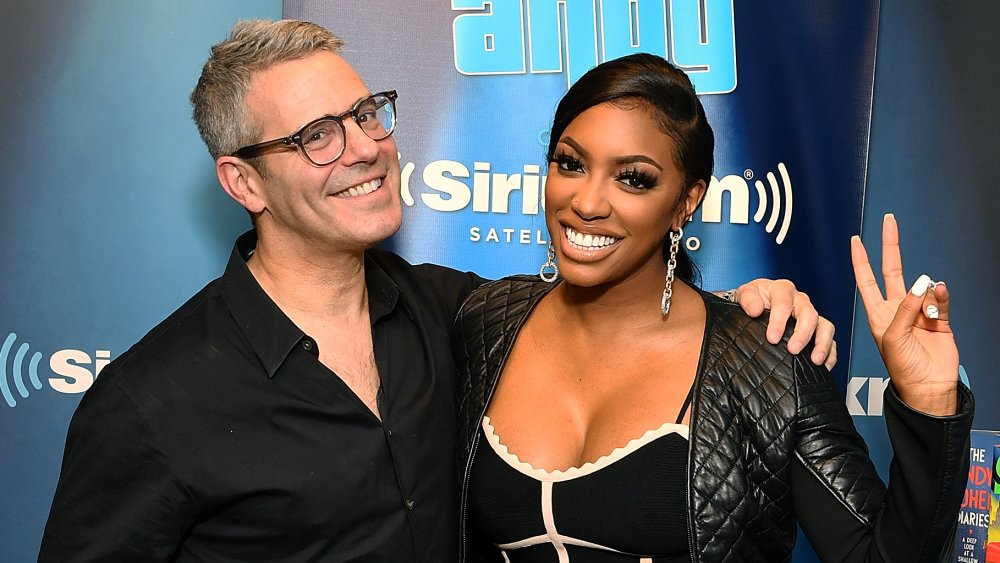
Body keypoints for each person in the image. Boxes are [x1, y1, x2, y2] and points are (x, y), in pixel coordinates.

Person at [39, 21, 834, 562]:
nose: (364, 148)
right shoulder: (149, 403)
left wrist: (742, 313)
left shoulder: (453, 313)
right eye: (316, 135)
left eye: (365, 113)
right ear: (243, 179)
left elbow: (612, 305)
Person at [454, 54, 974, 562]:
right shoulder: (483, 322)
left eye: (633, 178)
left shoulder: (767, 361)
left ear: (687, 200)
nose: (587, 203)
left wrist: (930, 405)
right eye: (571, 163)